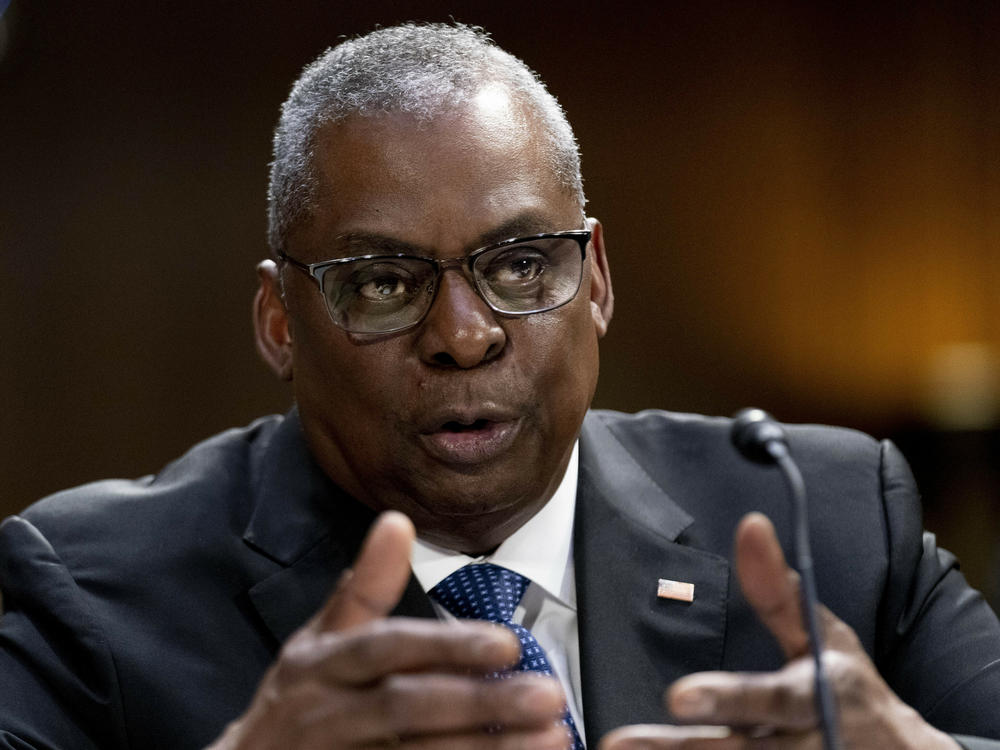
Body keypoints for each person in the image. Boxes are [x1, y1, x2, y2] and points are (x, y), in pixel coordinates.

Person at [1, 22, 999, 750]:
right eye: (383, 282)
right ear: (279, 326)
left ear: (595, 279)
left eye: (521, 265)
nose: (464, 336)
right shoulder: (92, 592)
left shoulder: (827, 521)